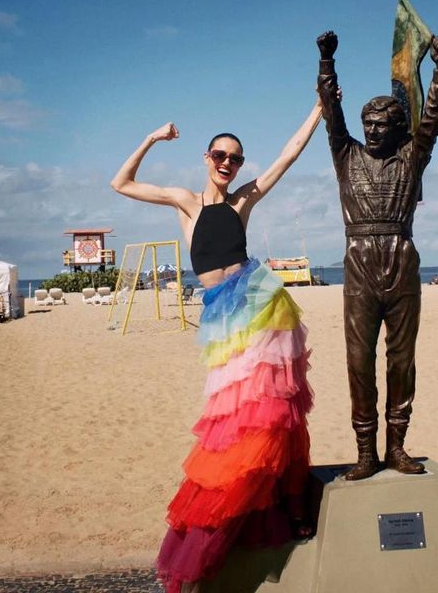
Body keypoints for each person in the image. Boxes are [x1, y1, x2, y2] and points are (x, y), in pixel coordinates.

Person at [111, 96, 324, 592]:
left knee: (272, 411)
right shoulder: (187, 202)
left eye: (235, 157)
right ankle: (252, 508)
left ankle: (289, 504)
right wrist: (151, 138)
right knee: (235, 421)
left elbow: (288, 156)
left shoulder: (243, 201)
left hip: (259, 305)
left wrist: (318, 107)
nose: (227, 163)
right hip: (221, 315)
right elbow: (119, 184)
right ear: (206, 159)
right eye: (219, 156)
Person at [316, 31, 438, 479]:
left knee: (401, 358)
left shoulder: (412, 157)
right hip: (359, 262)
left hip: (402, 258)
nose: (372, 131)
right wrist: (326, 61)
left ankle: (397, 447)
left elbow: (431, 120)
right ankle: (365, 451)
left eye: (380, 125)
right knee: (358, 360)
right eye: (367, 123)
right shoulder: (344, 154)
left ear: (396, 129)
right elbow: (331, 115)